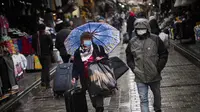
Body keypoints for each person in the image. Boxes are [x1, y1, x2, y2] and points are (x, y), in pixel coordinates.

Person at [126, 18, 168, 112]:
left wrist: (158, 68)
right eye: (138, 29)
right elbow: (129, 58)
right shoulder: (132, 42)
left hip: (154, 75)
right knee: (143, 99)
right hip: (140, 76)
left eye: (142, 28)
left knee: (157, 96)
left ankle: (157, 109)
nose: (140, 30)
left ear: (147, 28)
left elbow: (163, 54)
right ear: (135, 30)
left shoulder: (155, 39)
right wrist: (134, 68)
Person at [71, 32, 108, 112]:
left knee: (98, 92)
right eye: (85, 40)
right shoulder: (78, 52)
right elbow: (76, 67)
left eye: (89, 40)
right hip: (85, 76)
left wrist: (100, 58)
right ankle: (96, 105)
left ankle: (99, 107)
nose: (87, 42)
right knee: (92, 94)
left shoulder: (98, 48)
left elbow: (106, 58)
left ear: (91, 40)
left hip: (97, 74)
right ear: (81, 41)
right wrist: (74, 77)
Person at [32, 24, 53, 88]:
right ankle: (47, 83)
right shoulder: (47, 35)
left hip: (39, 55)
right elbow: (51, 44)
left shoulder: (35, 36)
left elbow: (33, 45)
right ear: (44, 28)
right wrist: (50, 51)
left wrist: (37, 51)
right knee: (47, 69)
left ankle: (43, 81)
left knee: (43, 68)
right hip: (47, 55)